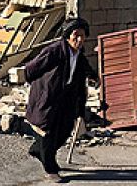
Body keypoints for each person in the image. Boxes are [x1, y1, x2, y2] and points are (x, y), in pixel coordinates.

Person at [25, 17, 99, 181]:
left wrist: (93, 76)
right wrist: (42, 87)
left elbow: (84, 67)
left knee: (65, 130)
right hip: (49, 97)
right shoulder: (54, 51)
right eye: (75, 35)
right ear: (67, 35)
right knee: (48, 132)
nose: (79, 40)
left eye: (83, 36)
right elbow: (30, 69)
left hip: (66, 99)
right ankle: (50, 168)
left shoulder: (79, 54)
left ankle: (38, 150)